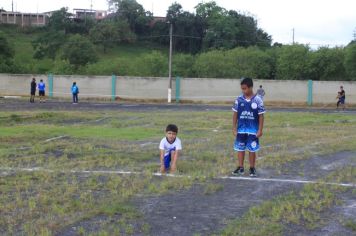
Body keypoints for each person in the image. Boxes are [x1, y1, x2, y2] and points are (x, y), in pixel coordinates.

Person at [232, 78, 265, 177]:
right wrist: (234, 128)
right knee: (240, 148)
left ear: (250, 87)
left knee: (252, 149)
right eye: (242, 89)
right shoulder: (238, 99)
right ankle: (240, 167)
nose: (243, 90)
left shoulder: (258, 100)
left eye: (245, 88)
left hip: (253, 131)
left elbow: (261, 116)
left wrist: (260, 129)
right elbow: (235, 114)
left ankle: (252, 168)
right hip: (241, 130)